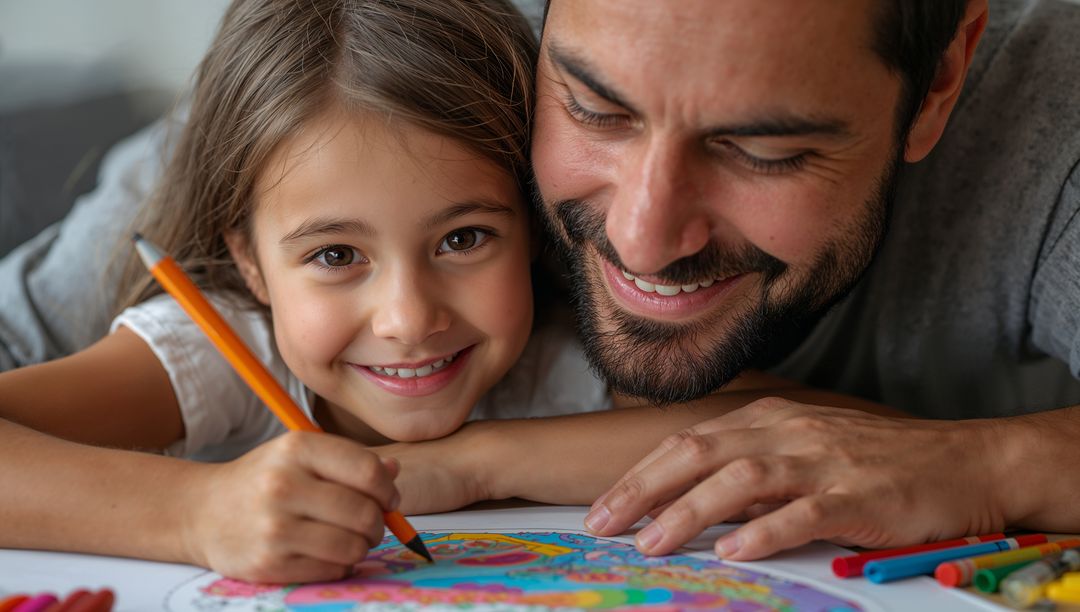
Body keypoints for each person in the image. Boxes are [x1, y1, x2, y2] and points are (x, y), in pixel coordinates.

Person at [5, 0, 1080, 564]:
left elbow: (786, 434)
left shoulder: (542, 352)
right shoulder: (405, 98)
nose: (645, 243)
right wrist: (194, 517)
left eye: (763, 146)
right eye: (597, 112)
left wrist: (471, 466)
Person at [0, 0, 616, 583]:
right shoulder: (222, 356)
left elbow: (714, 430)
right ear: (250, 261)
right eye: (336, 255)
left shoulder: (578, 344)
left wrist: (476, 463)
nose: (408, 319)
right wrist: (194, 513)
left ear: (535, 225)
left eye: (463, 239)